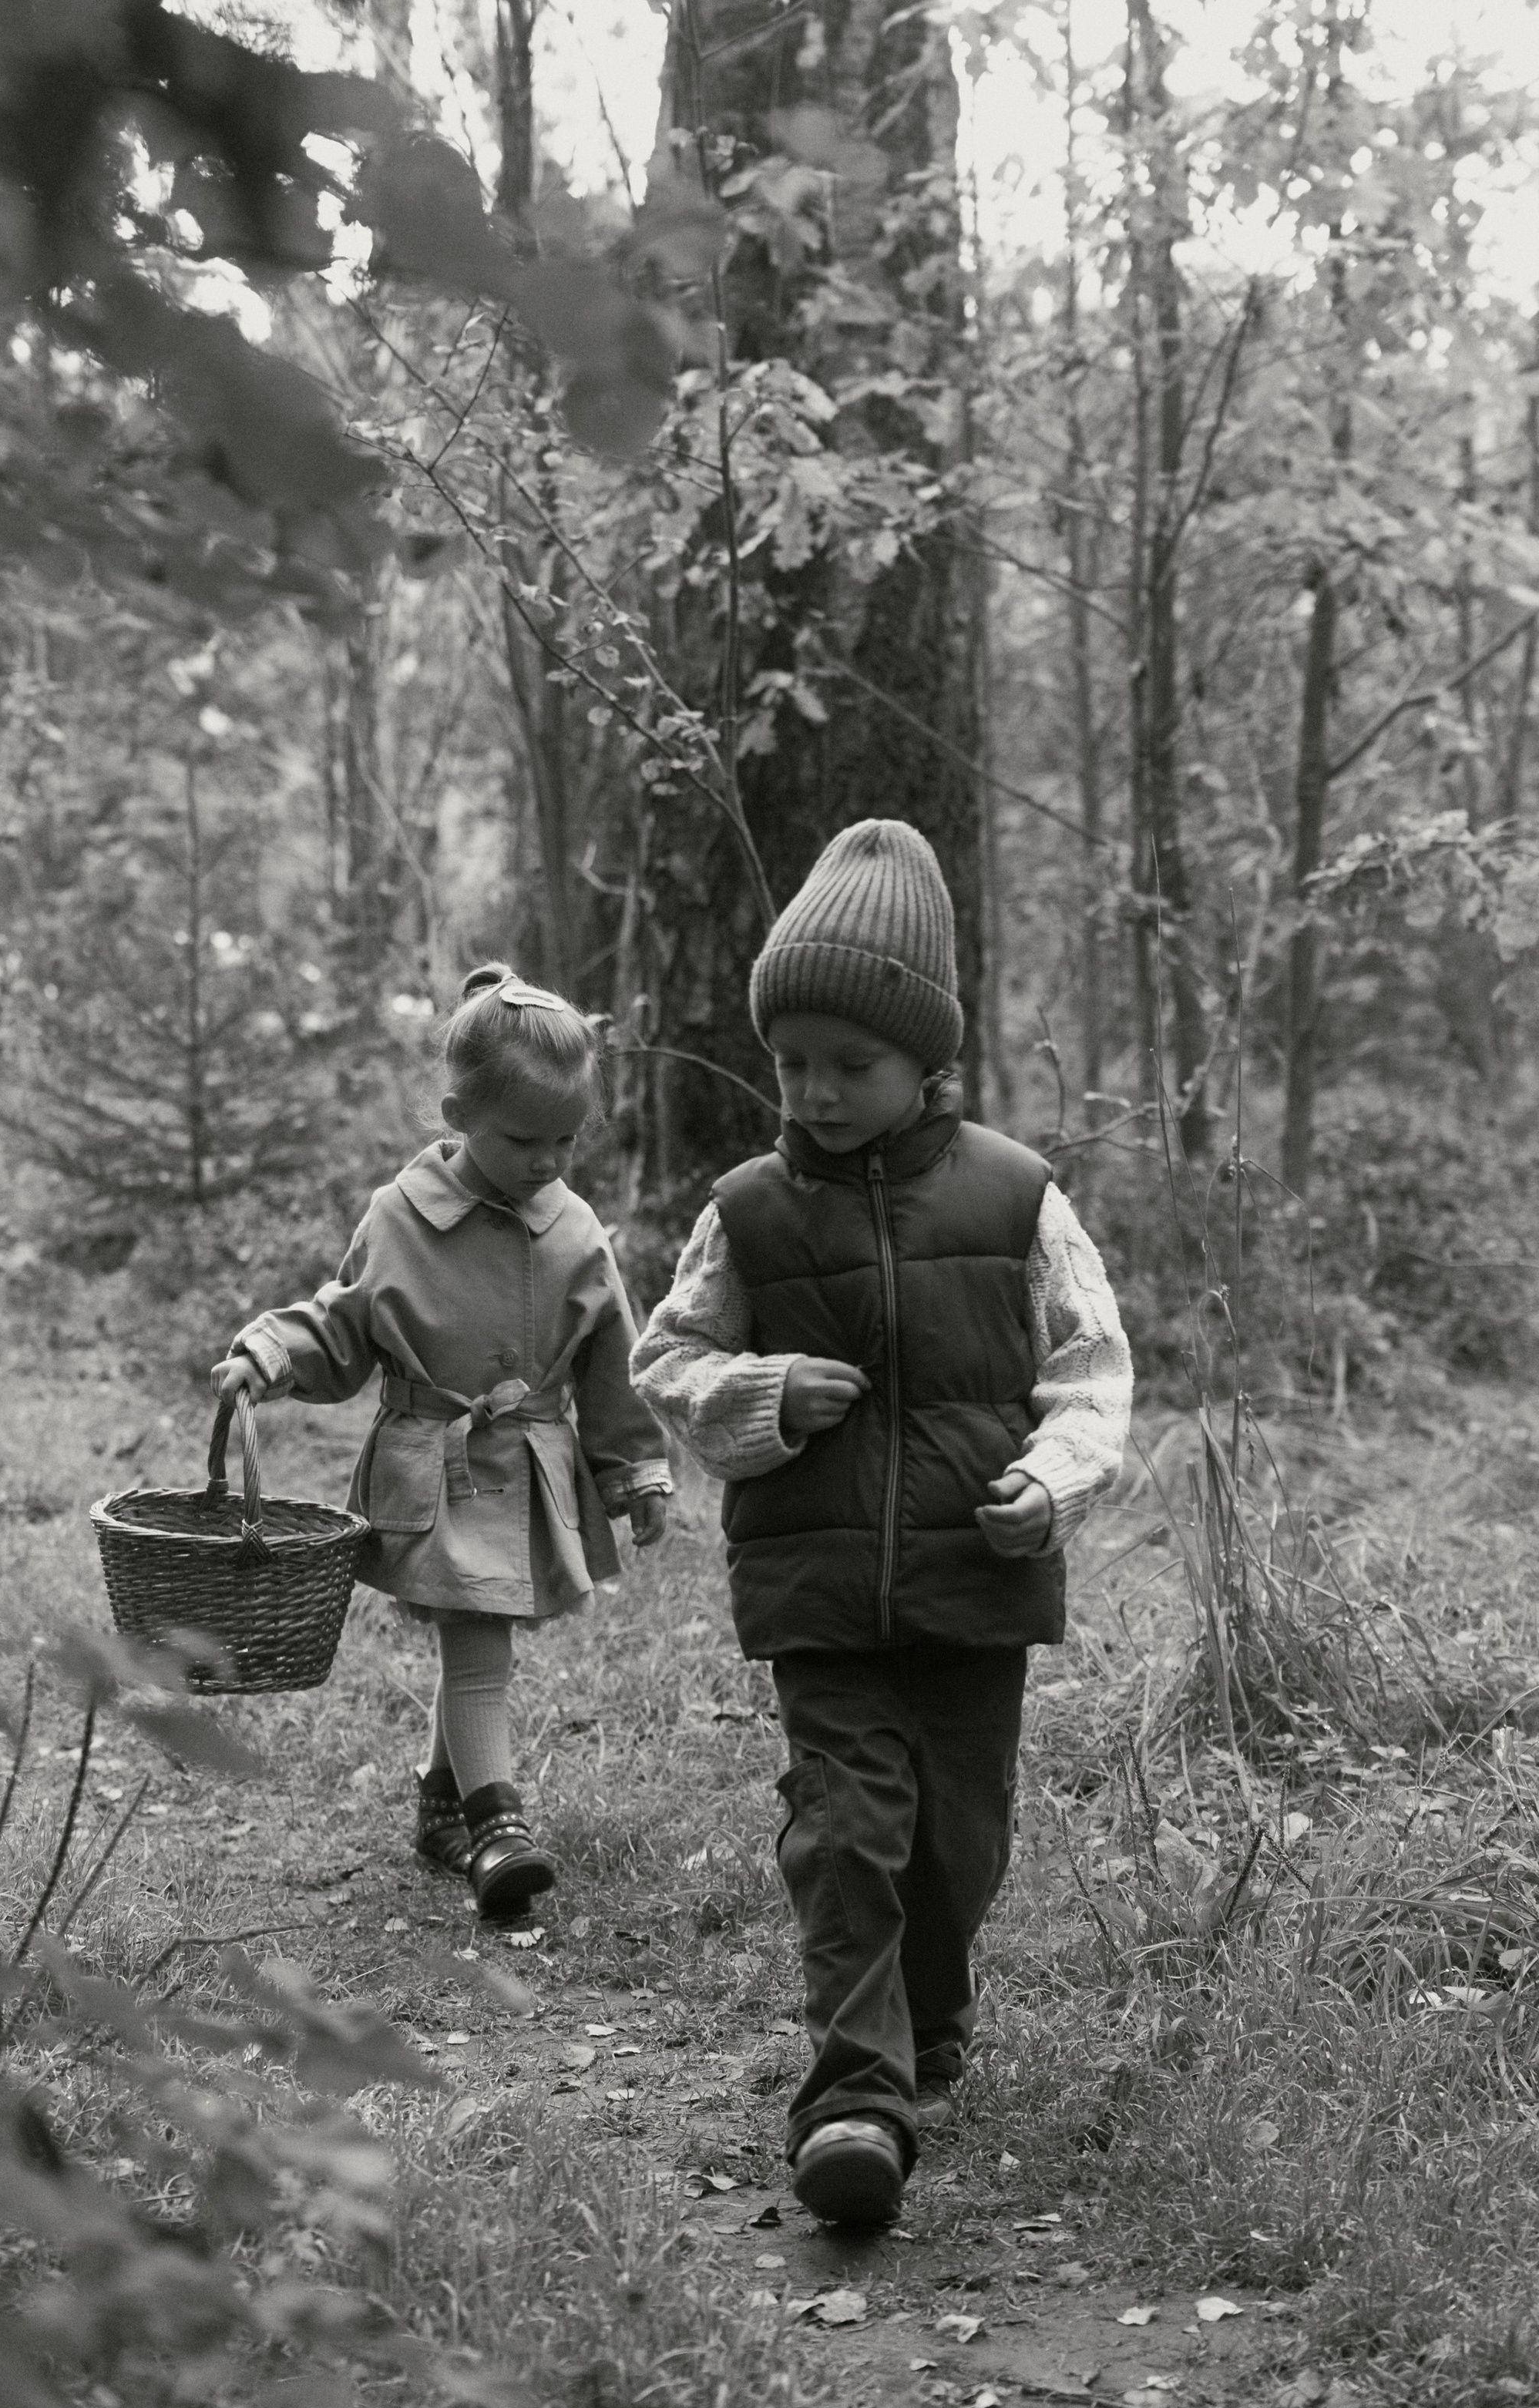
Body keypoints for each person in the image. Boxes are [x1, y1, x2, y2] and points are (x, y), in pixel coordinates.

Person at [631, 821, 1131, 2228]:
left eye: (853, 1064)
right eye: (795, 1062)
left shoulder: (1018, 1197)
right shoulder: (749, 1214)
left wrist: (1054, 1483)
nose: (821, 1090)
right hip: (821, 1597)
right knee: (847, 1831)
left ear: (926, 1063)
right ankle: (855, 2097)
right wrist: (765, 1394)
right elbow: (667, 1363)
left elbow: (1092, 1373)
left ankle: (926, 2016)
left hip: (981, 1583)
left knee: (958, 1846)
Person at [212, 965, 671, 1921]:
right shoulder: (398, 1217)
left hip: (530, 1467)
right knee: (479, 1641)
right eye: (522, 1139)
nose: (547, 1161)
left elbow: (609, 1360)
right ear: (458, 1112)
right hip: (436, 1463)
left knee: (480, 1636)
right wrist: (270, 1352)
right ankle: (496, 1822)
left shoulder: (577, 1230)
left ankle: (437, 1801)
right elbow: (341, 1332)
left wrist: (634, 1469)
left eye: (565, 1140)